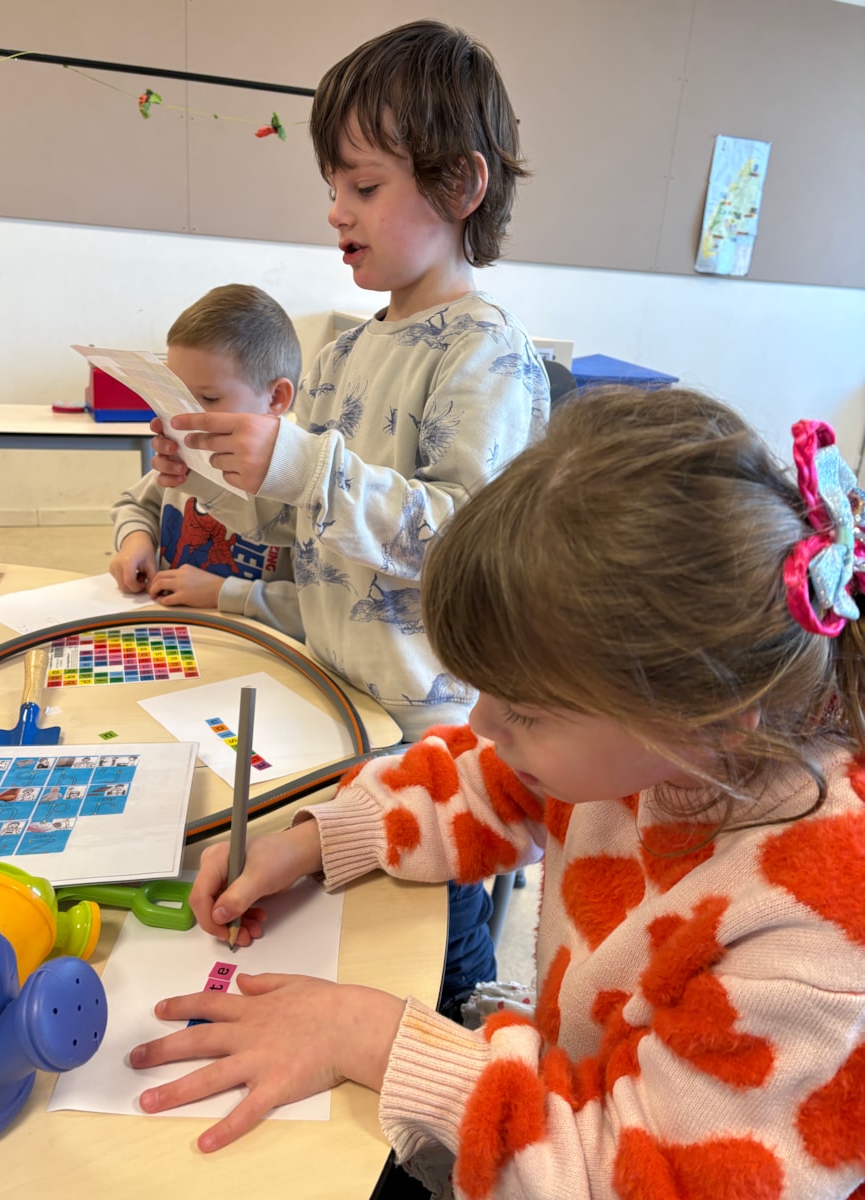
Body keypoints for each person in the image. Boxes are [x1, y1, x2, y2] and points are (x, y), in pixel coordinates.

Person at [130, 386, 865, 1200]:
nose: (482, 721)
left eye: (528, 711)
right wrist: (315, 840)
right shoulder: (659, 744)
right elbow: (483, 778)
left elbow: (629, 1179)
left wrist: (373, 1037)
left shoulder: (818, 934)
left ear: (709, 718)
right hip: (570, 1081)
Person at [146, 20, 551, 1018]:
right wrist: (217, 482)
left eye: (364, 186)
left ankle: (460, 1041)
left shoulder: (487, 355)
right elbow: (300, 529)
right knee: (337, 941)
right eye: (334, 186)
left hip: (428, 749)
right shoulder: (338, 352)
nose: (336, 211)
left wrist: (301, 464)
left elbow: (462, 547)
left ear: (460, 186)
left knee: (428, 959)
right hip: (333, 707)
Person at [108, 283, 303, 640]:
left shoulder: (299, 483)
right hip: (169, 636)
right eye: (173, 393)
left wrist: (223, 592)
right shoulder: (185, 453)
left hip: (253, 651)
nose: (182, 416)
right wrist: (136, 540)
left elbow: (322, 611)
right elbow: (134, 504)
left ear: (276, 397)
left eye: (208, 398)